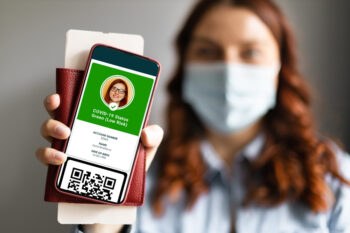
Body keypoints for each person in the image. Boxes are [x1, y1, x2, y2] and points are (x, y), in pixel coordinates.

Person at [36, 0, 350, 232]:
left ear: (281, 66)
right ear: (185, 65)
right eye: (208, 51)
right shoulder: (144, 173)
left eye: (250, 52)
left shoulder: (334, 176)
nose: (229, 70)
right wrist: (102, 218)